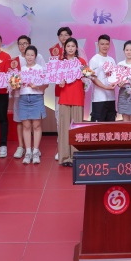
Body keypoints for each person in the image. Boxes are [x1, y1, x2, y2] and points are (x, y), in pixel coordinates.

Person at [57, 37, 87, 166]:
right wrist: (60, 82)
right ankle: (65, 157)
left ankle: (76, 156)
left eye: (73, 46)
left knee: (77, 129)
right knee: (64, 128)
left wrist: (86, 79)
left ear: (76, 48)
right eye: (68, 46)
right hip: (64, 97)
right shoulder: (60, 62)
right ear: (64, 48)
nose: (70, 48)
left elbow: (87, 79)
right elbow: (56, 80)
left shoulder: (81, 62)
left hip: (77, 97)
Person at [18, 45, 48, 164]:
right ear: (24, 56)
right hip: (23, 98)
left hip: (37, 98)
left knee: (36, 125)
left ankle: (35, 151)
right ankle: (28, 152)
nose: (29, 57)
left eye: (32, 55)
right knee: (26, 126)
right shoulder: (21, 70)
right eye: (27, 55)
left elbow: (46, 84)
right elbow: (16, 85)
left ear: (35, 56)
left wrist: (38, 86)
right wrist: (14, 84)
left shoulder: (40, 69)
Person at [51, 27, 72, 162]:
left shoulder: (76, 52)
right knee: (60, 120)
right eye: (61, 35)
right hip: (60, 91)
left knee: (72, 120)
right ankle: (62, 148)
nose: (64, 37)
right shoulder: (54, 52)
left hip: (72, 92)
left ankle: (72, 147)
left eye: (66, 35)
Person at [89, 34, 118, 122]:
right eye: (102, 44)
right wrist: (106, 87)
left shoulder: (111, 60)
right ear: (98, 45)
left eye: (107, 44)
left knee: (110, 125)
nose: (105, 46)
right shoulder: (94, 59)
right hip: (99, 99)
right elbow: (93, 78)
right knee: (98, 126)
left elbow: (115, 76)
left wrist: (117, 82)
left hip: (111, 98)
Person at [13, 35, 32, 159]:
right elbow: (12, 77)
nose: (23, 46)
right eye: (20, 44)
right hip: (19, 94)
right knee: (20, 120)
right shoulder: (14, 60)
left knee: (33, 122)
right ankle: (21, 146)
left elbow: (43, 73)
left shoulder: (37, 56)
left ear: (29, 44)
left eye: (25, 43)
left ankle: (33, 148)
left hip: (33, 94)